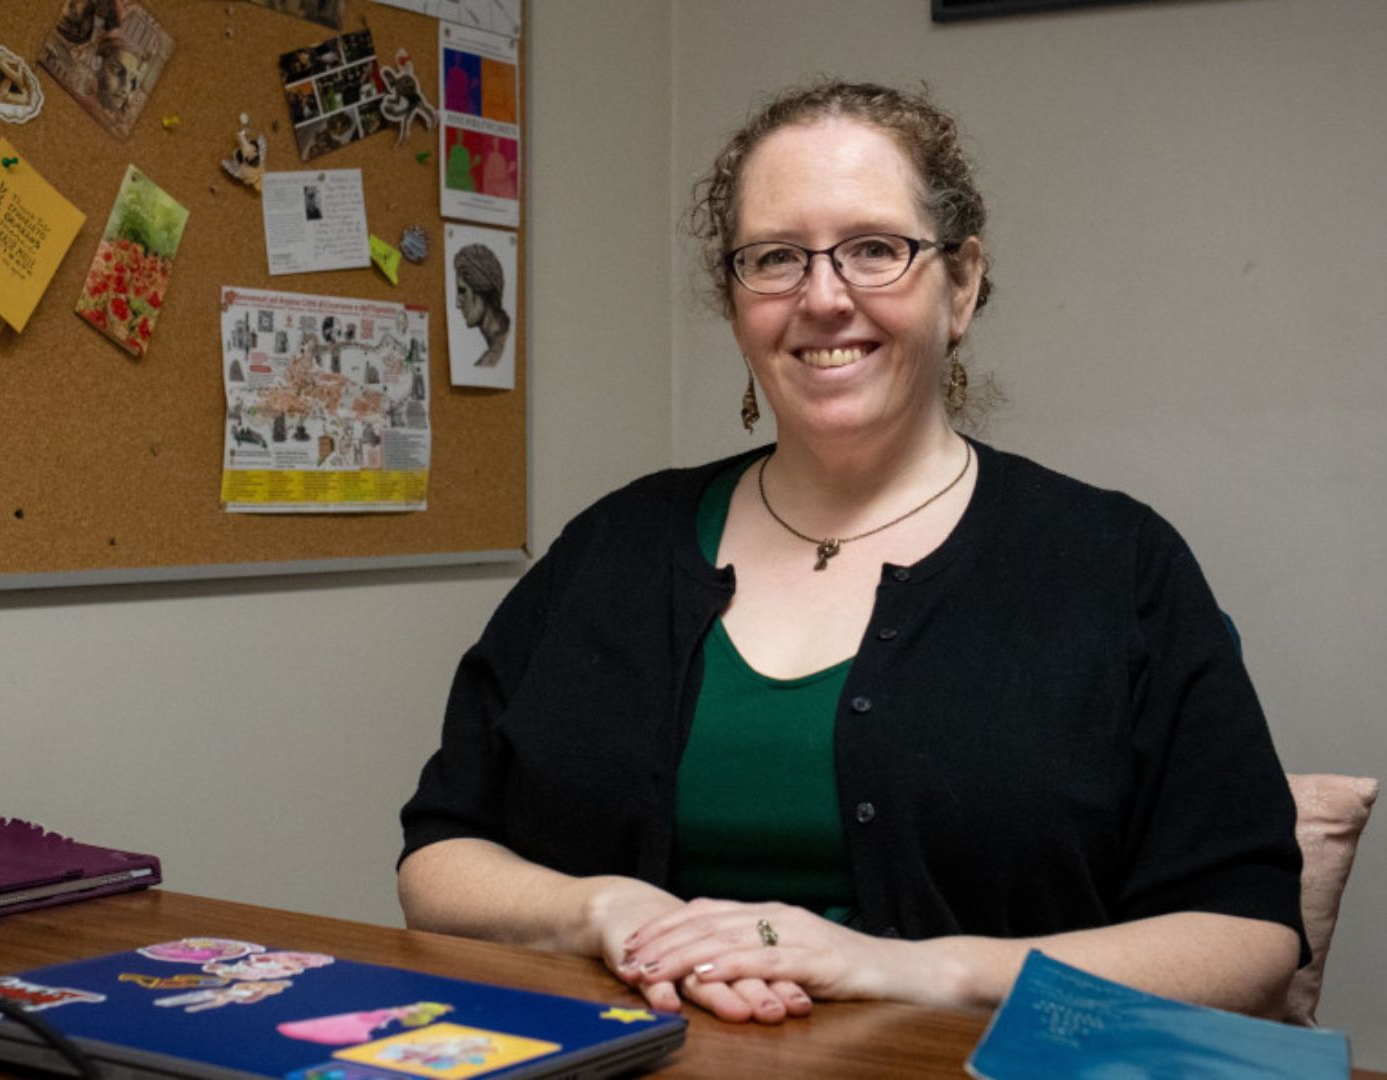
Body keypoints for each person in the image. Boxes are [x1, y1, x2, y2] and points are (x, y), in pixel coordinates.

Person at [397, 78, 1305, 1026]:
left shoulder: (1118, 567)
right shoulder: (613, 546)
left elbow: (1247, 937)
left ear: (961, 283)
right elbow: (441, 856)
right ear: (736, 300)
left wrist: (906, 968)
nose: (824, 298)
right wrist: (609, 912)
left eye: (876, 250)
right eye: (776, 258)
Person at [453, 244, 511, 368]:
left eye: (462, 291)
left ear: (483, 291)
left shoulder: (493, 361)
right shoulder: (496, 351)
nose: (457, 304)